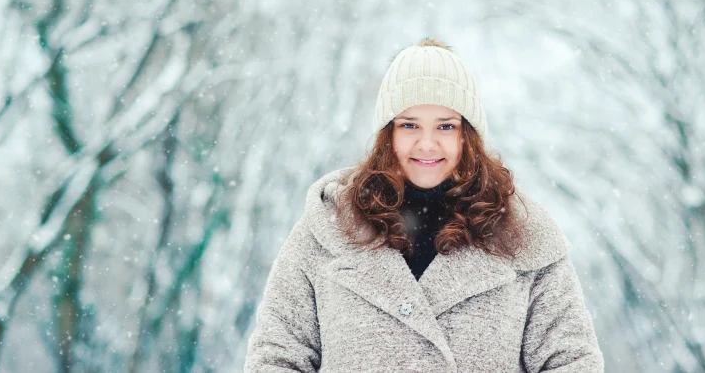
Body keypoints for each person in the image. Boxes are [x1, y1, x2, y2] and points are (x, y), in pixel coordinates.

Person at [243, 38, 605, 372]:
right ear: (388, 132)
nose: (427, 144)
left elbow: (572, 361)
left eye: (445, 127)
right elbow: (276, 358)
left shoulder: (525, 236)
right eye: (410, 125)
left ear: (469, 135)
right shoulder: (327, 228)